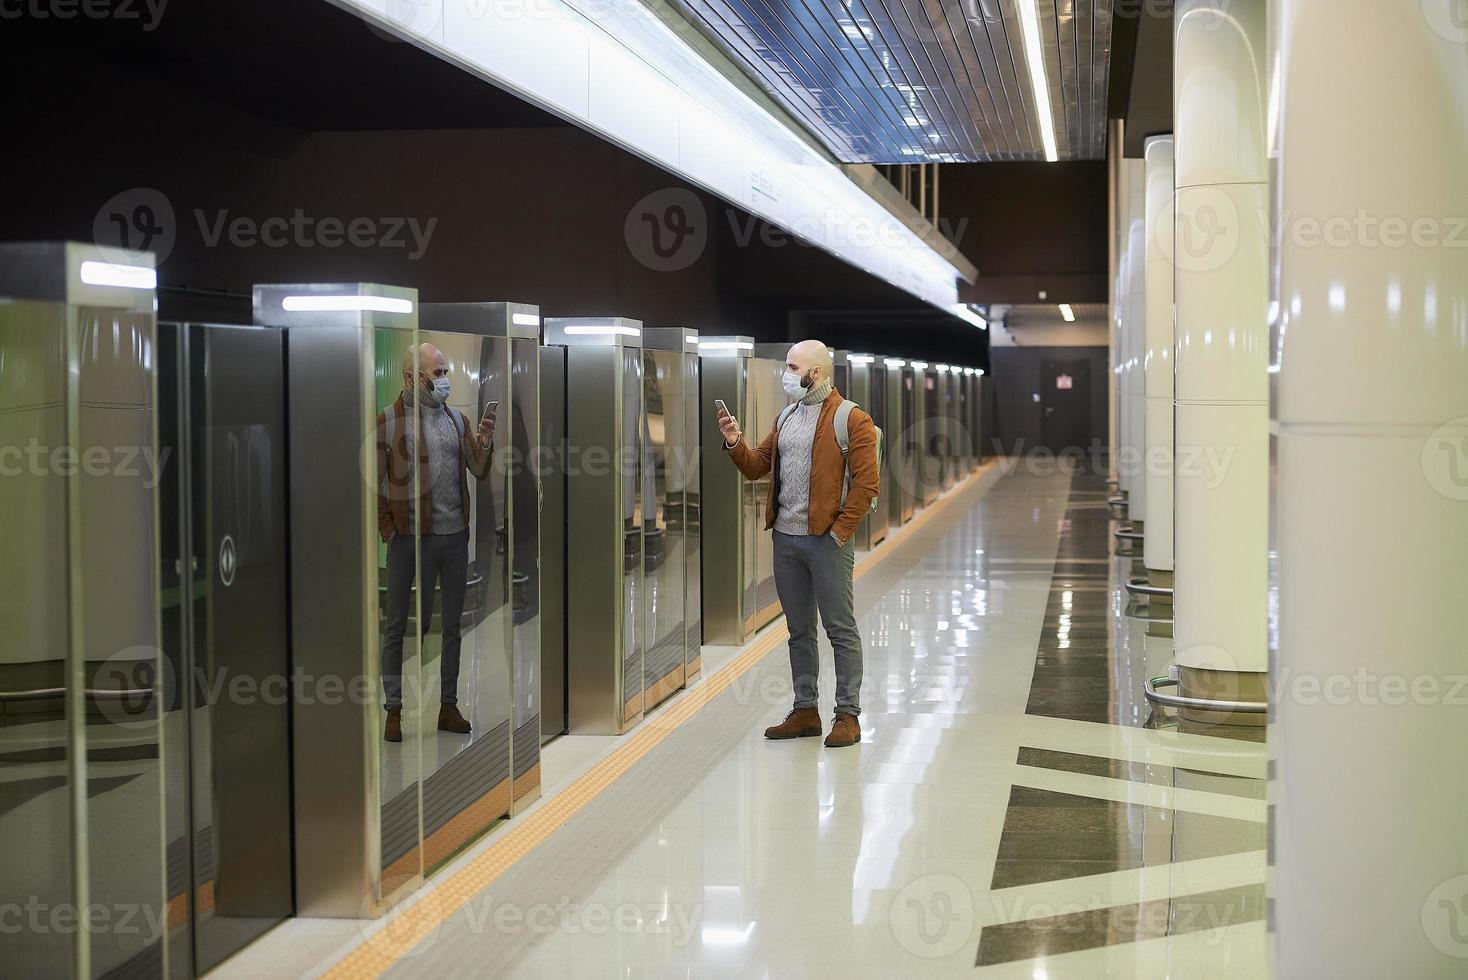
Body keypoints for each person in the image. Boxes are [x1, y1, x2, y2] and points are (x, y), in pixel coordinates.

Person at [717, 340, 879, 747]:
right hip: (786, 541)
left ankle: (848, 715)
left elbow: (867, 485)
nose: (786, 374)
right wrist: (736, 443)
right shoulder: (788, 415)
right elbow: (758, 466)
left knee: (840, 629)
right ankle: (806, 710)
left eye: (792, 367)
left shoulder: (851, 419)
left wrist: (840, 533)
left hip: (827, 541)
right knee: (798, 629)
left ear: (816, 373)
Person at [377, 343, 494, 743]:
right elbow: (375, 482)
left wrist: (485, 441)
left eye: (445, 372)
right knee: (400, 626)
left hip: (453, 537)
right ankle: (393, 709)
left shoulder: (455, 420)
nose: (444, 380)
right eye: (438, 373)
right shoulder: (390, 422)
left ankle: (448, 705)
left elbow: (477, 470)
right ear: (412, 377)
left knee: (451, 627)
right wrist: (389, 531)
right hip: (410, 540)